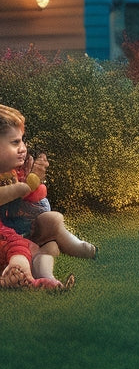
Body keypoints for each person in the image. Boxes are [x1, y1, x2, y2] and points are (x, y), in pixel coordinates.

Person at [0, 104, 96, 283]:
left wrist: (35, 180)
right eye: (15, 142)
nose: (22, 147)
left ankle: (77, 247)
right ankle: (45, 277)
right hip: (9, 241)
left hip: (26, 230)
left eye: (22, 140)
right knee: (48, 249)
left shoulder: (18, 172)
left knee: (52, 220)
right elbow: (14, 192)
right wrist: (26, 185)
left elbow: (35, 197)